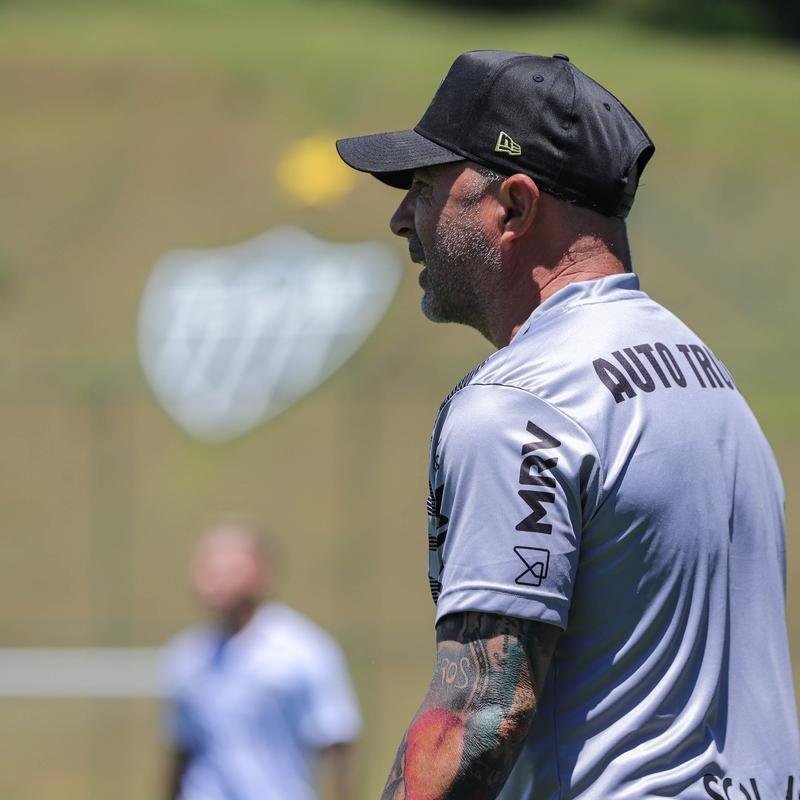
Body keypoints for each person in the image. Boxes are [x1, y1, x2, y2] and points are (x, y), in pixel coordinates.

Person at [336, 50, 800, 799]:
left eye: (424, 188)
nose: (400, 217)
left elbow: (479, 713)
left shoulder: (521, 401)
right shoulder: (709, 377)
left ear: (514, 207)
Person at [161, 519, 361, 800]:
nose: (214, 579)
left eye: (228, 568)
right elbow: (181, 753)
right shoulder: (186, 656)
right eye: (207, 568)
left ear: (261, 571)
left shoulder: (304, 650)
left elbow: (337, 743)